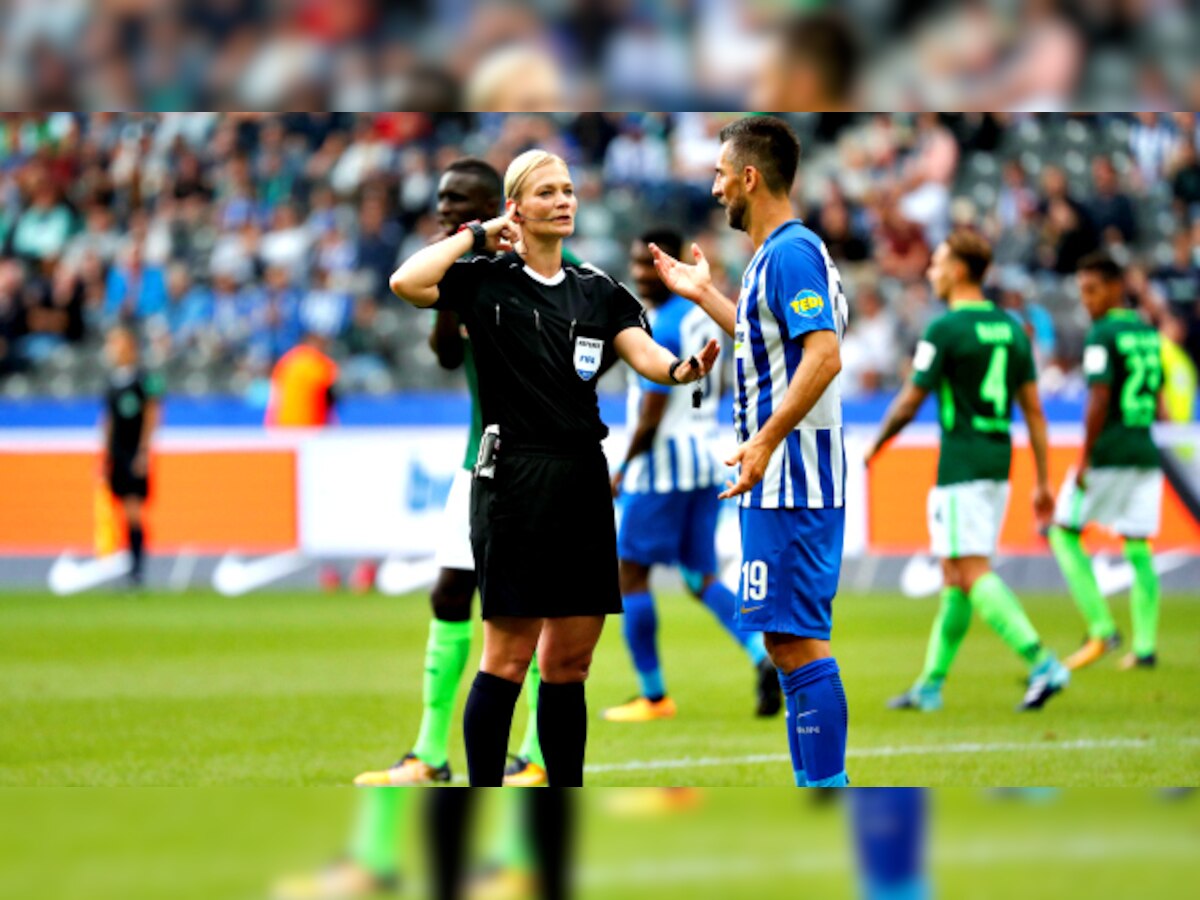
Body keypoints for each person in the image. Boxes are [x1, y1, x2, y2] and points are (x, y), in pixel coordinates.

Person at [389, 149, 718, 787]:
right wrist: (475, 234)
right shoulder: (485, 277)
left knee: (570, 665)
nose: (563, 200)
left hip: (582, 481)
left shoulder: (597, 290)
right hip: (512, 480)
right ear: (516, 208)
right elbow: (407, 282)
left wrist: (682, 369)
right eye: (547, 193)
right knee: (507, 659)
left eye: (568, 190)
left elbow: (645, 354)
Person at [649, 116, 851, 787]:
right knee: (782, 640)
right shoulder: (775, 257)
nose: (714, 189)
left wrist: (764, 440)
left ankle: (827, 787)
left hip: (793, 474)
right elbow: (769, 344)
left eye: (718, 174)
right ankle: (813, 783)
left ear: (749, 177)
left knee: (796, 639)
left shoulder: (792, 253)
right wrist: (704, 293)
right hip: (776, 475)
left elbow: (823, 355)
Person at [355, 158, 549, 790]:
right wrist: (460, 255)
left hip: (533, 466)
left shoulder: (534, 271)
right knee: (448, 593)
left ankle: (538, 754)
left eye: (456, 198)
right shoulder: (462, 268)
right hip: (479, 463)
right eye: (439, 197)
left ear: (496, 201)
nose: (442, 206)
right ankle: (429, 755)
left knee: (534, 610)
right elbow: (444, 354)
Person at [865, 230, 1070, 712]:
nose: (931, 271)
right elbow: (1035, 413)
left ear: (958, 270)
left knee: (971, 570)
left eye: (937, 263)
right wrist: (1042, 480)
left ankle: (1042, 662)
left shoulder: (945, 330)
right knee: (956, 574)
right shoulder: (1012, 328)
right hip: (997, 462)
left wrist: (876, 444)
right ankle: (931, 685)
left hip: (960, 465)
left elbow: (910, 401)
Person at [606, 226, 779, 724]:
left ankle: (653, 695)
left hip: (662, 471)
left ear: (676, 261)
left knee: (629, 575)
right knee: (699, 576)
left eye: (649, 264)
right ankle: (759, 654)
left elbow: (652, 414)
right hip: (704, 461)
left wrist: (624, 467)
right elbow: (719, 382)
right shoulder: (703, 317)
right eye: (636, 264)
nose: (641, 273)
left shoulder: (661, 326)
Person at [1048, 253, 1165, 671]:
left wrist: (1085, 457)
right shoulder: (1147, 331)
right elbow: (1159, 393)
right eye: (1081, 291)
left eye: (1093, 290)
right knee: (1137, 545)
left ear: (1117, 287)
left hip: (1110, 453)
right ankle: (1146, 646)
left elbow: (1099, 397)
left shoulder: (1103, 334)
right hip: (1145, 450)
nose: (1087, 300)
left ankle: (1101, 627)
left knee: (1063, 533)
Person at [100, 325, 163, 589]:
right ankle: (129, 565)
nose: (113, 349)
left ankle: (137, 570)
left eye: (117, 343)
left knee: (134, 510)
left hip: (133, 451)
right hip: (117, 452)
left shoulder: (144, 378)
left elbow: (152, 413)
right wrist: (104, 454)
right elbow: (109, 419)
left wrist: (144, 451)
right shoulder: (112, 380)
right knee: (121, 509)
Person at [264, 332, 339, 428]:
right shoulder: (318, 361)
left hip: (282, 422)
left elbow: (275, 394)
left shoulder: (286, 361)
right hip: (309, 423)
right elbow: (329, 394)